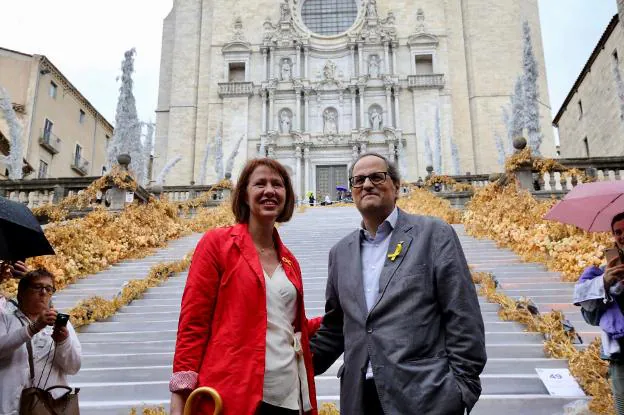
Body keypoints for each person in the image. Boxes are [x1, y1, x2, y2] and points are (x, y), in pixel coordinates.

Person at [310, 152, 487, 414]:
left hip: (425, 396)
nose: (367, 184)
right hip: (359, 398)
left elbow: (463, 315)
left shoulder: (433, 234)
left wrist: (461, 390)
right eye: (358, 180)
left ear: (396, 186)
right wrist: (280, 366)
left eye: (376, 177)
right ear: (352, 191)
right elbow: (335, 329)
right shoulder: (340, 252)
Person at [169, 158, 320, 415]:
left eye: (278, 184)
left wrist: (338, 317)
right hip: (233, 393)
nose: (270, 190)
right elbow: (193, 322)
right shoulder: (217, 243)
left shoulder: (290, 261)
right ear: (244, 195)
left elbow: (289, 324)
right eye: (260, 183)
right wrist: (181, 392)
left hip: (288, 393)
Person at [0, 269, 81, 414]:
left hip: (50, 407)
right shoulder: (5, 318)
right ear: (21, 293)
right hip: (10, 407)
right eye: (37, 287)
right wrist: (33, 328)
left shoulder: (61, 323)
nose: (43, 292)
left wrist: (63, 342)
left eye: (49, 289)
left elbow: (73, 367)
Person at [574, 212, 624, 414]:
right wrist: (605, 282)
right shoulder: (603, 273)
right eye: (617, 232)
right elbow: (589, 315)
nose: (622, 236)